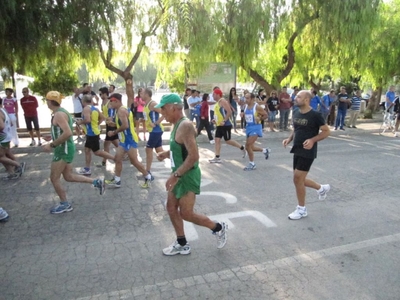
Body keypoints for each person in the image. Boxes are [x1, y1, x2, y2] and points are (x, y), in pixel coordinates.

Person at [155, 94, 228, 255]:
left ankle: (219, 227)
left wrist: (176, 176)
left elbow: (194, 156)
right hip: (179, 174)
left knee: (186, 213)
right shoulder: (176, 125)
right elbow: (180, 149)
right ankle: (182, 243)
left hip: (187, 175)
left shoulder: (186, 125)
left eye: (164, 108)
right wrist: (166, 154)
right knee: (171, 207)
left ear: (173, 107)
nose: (162, 112)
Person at [41, 91, 105, 214]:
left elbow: (68, 133)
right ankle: (96, 182)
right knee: (68, 176)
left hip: (63, 150)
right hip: (65, 148)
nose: (46, 102)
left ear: (50, 101)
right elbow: (64, 130)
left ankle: (65, 204)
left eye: (47, 100)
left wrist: (52, 144)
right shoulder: (62, 111)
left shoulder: (59, 114)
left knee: (54, 178)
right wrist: (52, 136)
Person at [282, 90, 330, 220]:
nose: (295, 98)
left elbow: (326, 131)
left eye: (299, 97)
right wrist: (289, 139)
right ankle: (321, 188)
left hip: (308, 150)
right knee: (299, 180)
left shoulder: (315, 115)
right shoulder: (296, 112)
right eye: (296, 96)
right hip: (297, 148)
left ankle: (302, 209)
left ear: (306, 100)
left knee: (297, 179)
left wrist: (313, 140)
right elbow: (296, 128)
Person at [104, 93, 154, 188]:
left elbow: (125, 126)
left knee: (134, 161)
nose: (110, 103)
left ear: (117, 101)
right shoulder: (119, 110)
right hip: (124, 140)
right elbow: (124, 124)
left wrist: (114, 132)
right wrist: (113, 124)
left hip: (129, 139)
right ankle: (117, 180)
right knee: (117, 159)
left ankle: (148, 176)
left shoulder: (121, 111)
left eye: (111, 101)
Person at [76, 95, 115, 175]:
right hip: (93, 132)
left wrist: (80, 122)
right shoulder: (95, 108)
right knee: (87, 150)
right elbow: (102, 117)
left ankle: (115, 158)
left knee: (97, 152)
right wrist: (97, 124)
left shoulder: (86, 108)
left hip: (92, 133)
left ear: (83, 102)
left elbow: (87, 120)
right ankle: (87, 168)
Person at [209, 88, 247, 163]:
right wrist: (214, 120)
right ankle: (217, 157)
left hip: (226, 125)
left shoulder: (222, 101)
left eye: (213, 94)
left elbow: (229, 112)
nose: (212, 96)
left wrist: (224, 120)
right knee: (217, 140)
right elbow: (219, 114)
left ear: (217, 94)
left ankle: (242, 148)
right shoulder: (217, 103)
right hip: (219, 125)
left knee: (228, 141)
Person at [241, 93, 271, 171]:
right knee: (251, 147)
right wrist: (242, 115)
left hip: (256, 128)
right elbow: (247, 116)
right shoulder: (245, 106)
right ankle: (265, 150)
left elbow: (266, 115)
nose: (245, 99)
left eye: (247, 98)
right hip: (248, 127)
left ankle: (252, 164)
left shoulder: (257, 106)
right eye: (245, 98)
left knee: (247, 146)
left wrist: (260, 119)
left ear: (252, 99)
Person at [141, 88, 165, 174]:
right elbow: (148, 116)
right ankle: (177, 162)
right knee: (160, 151)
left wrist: (156, 123)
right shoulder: (146, 104)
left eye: (142, 93)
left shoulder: (153, 104)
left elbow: (164, 113)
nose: (140, 94)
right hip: (152, 130)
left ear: (147, 94)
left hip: (156, 130)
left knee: (148, 149)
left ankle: (147, 171)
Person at [0, 106, 25, 180]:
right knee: (6, 155)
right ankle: (11, 173)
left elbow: (1, 126)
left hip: (2, 137)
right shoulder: (3, 110)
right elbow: (10, 123)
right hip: (7, 135)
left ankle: (17, 165)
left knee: (1, 156)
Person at [99, 87, 119, 167]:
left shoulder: (109, 103)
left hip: (111, 125)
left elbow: (112, 114)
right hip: (107, 124)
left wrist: (111, 120)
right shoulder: (102, 103)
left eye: (100, 94)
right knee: (115, 142)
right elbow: (103, 114)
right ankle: (127, 152)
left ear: (104, 94)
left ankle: (104, 161)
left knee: (106, 143)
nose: (100, 95)